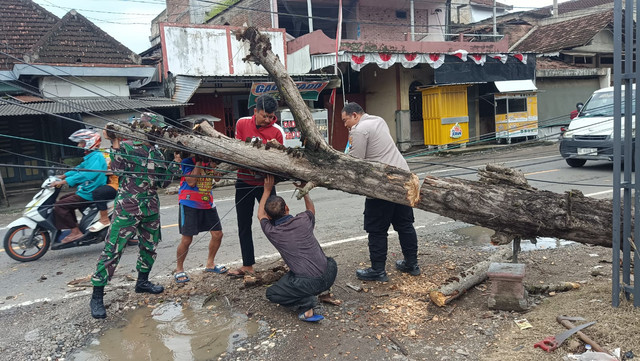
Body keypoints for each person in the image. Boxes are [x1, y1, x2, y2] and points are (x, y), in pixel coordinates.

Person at [89, 117, 179, 319]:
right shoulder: (127, 146)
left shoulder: (156, 152)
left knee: (150, 245)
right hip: (128, 206)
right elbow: (118, 169)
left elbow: (163, 183)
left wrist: (174, 162)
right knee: (114, 248)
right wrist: (115, 143)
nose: (155, 131)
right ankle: (97, 295)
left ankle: (142, 282)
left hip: (150, 206)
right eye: (151, 127)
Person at [342, 102, 420, 282]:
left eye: (345, 120)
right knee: (405, 225)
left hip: (383, 184)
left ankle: (378, 270)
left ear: (355, 115)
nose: (345, 125)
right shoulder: (378, 120)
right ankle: (412, 264)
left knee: (376, 229)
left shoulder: (359, 130)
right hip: (403, 180)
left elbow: (355, 161)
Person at [258, 175, 337, 322]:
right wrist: (304, 190)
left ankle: (307, 305)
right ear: (287, 208)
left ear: (268, 218)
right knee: (325, 261)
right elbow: (311, 208)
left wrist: (266, 190)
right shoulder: (303, 220)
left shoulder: (272, 232)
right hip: (331, 273)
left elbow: (260, 214)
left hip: (309, 283)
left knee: (272, 293)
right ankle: (323, 289)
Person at [229, 94, 284, 277]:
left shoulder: (277, 131)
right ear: (255, 111)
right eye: (264, 116)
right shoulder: (242, 123)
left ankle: (290, 258)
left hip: (266, 184)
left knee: (277, 222)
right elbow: (237, 151)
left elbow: (280, 161)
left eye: (271, 116)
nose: (267, 120)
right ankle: (248, 264)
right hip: (243, 181)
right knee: (243, 224)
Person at [174, 154, 226, 284]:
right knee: (187, 239)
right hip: (189, 203)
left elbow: (217, 180)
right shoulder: (187, 161)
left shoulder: (211, 161)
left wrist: (217, 171)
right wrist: (198, 162)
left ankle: (210, 263)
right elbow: (191, 181)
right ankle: (179, 269)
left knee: (217, 234)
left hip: (207, 202)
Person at [51, 129, 107, 248]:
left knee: (60, 206)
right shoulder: (90, 156)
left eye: (81, 142)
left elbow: (88, 174)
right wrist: (64, 175)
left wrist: (64, 181)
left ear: (90, 142)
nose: (79, 145)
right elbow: (79, 168)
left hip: (90, 192)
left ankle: (75, 232)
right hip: (86, 190)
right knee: (63, 199)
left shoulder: (96, 157)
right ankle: (74, 226)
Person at [87, 147, 118, 233]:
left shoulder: (121, 157)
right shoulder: (108, 158)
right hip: (110, 183)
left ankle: (104, 219)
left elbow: (119, 171)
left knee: (97, 193)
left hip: (117, 185)